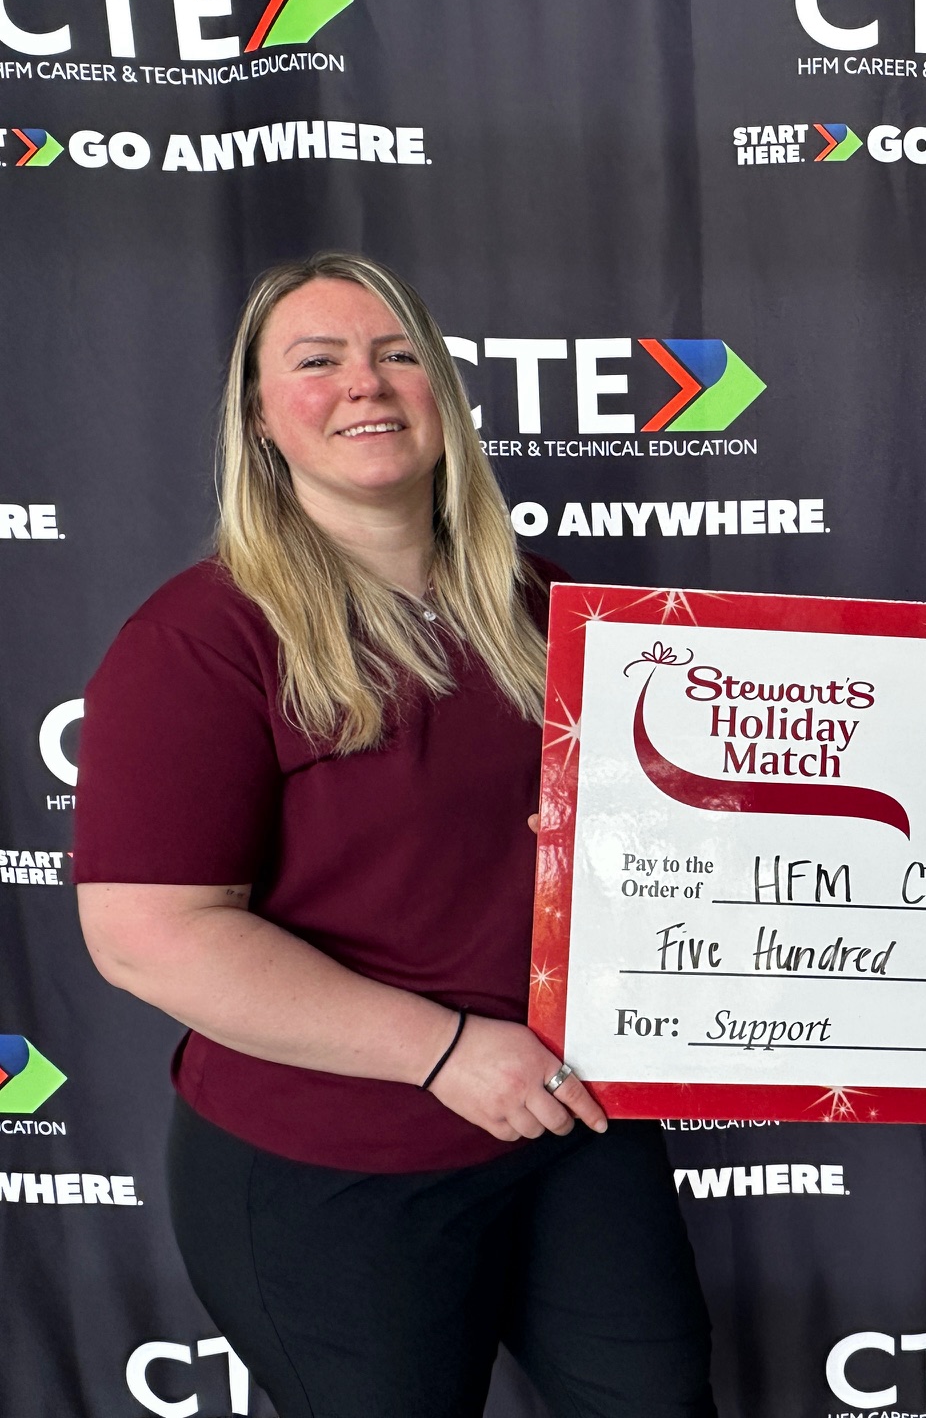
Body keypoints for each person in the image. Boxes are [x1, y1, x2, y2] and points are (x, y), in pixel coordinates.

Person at [74, 253, 715, 1418]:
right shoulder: (202, 641)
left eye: (397, 353)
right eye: (317, 361)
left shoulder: (543, 605)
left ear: (443, 396)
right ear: (260, 419)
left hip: (569, 1115)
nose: (364, 383)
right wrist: (445, 1051)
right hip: (337, 1166)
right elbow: (147, 937)